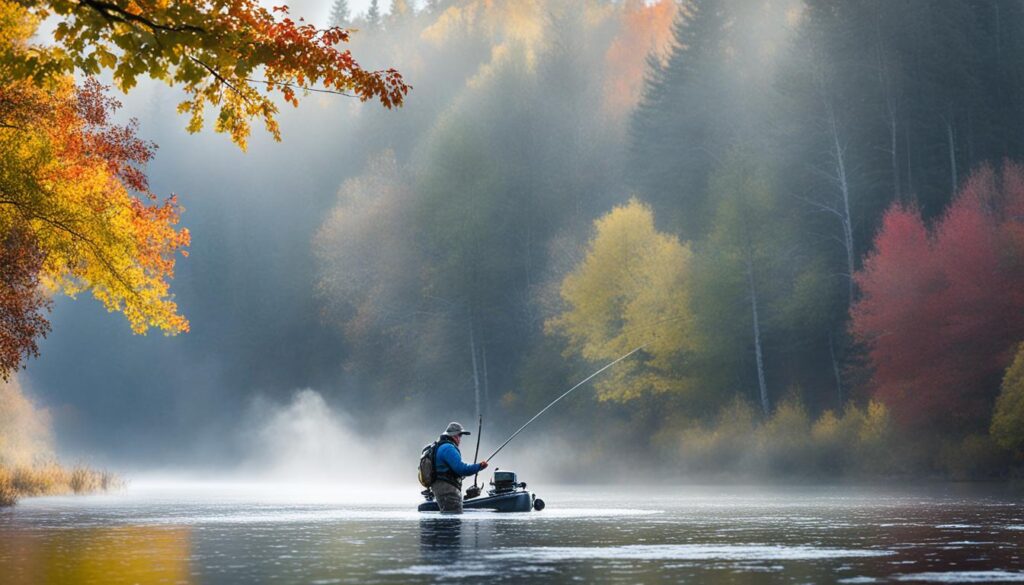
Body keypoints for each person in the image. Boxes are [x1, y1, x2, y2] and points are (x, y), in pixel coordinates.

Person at [431, 421, 488, 514]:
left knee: (447, 521)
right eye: (460, 435)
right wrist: (479, 466)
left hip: (439, 489)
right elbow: (462, 469)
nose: (460, 439)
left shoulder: (440, 446)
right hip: (448, 492)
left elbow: (448, 470)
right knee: (453, 521)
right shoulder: (448, 448)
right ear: (455, 435)